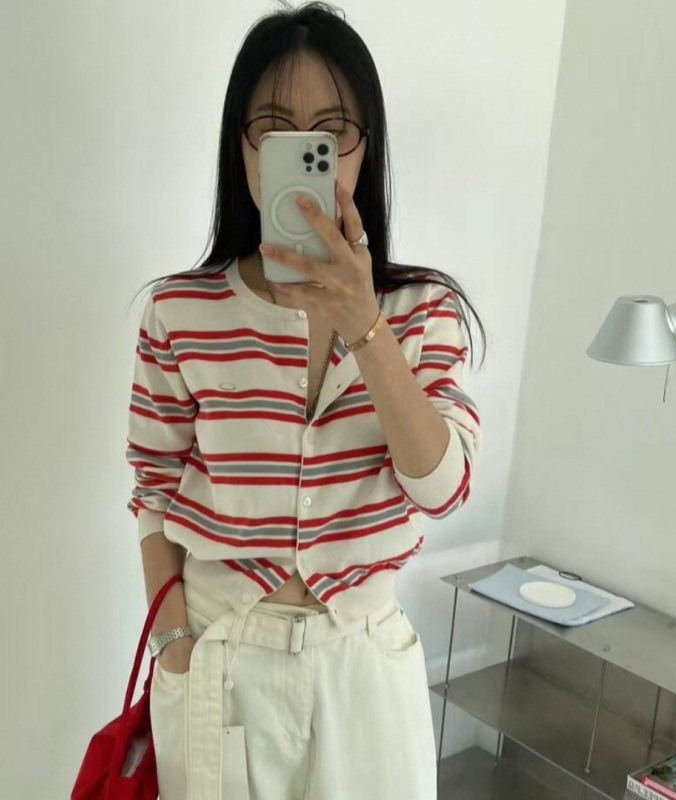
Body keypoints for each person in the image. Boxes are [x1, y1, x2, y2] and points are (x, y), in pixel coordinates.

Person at [125, 2, 485, 798]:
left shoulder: (423, 309)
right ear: (243, 145)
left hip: (363, 665)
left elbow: (444, 488)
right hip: (220, 655)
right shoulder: (180, 311)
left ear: (364, 147)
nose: (303, 148)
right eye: (275, 127)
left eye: (331, 130)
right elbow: (153, 489)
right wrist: (174, 644)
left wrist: (364, 324)